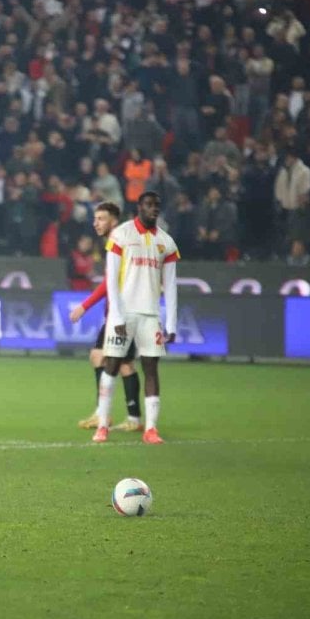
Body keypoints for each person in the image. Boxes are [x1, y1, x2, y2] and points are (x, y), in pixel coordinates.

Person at [94, 191, 180, 445]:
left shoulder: (167, 242)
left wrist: (172, 323)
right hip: (124, 313)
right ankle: (102, 425)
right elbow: (111, 278)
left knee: (151, 368)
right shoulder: (121, 234)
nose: (154, 209)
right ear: (139, 207)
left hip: (150, 314)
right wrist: (117, 317)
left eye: (157, 205)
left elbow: (172, 285)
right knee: (110, 365)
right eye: (149, 205)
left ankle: (151, 429)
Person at [69, 201, 144, 434]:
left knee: (118, 362)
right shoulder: (116, 241)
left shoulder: (119, 241)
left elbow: (107, 284)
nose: (96, 223)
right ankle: (109, 414)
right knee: (105, 358)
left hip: (125, 313)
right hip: (118, 312)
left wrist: (85, 306)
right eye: (95, 218)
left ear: (113, 220)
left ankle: (123, 416)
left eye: (101, 219)